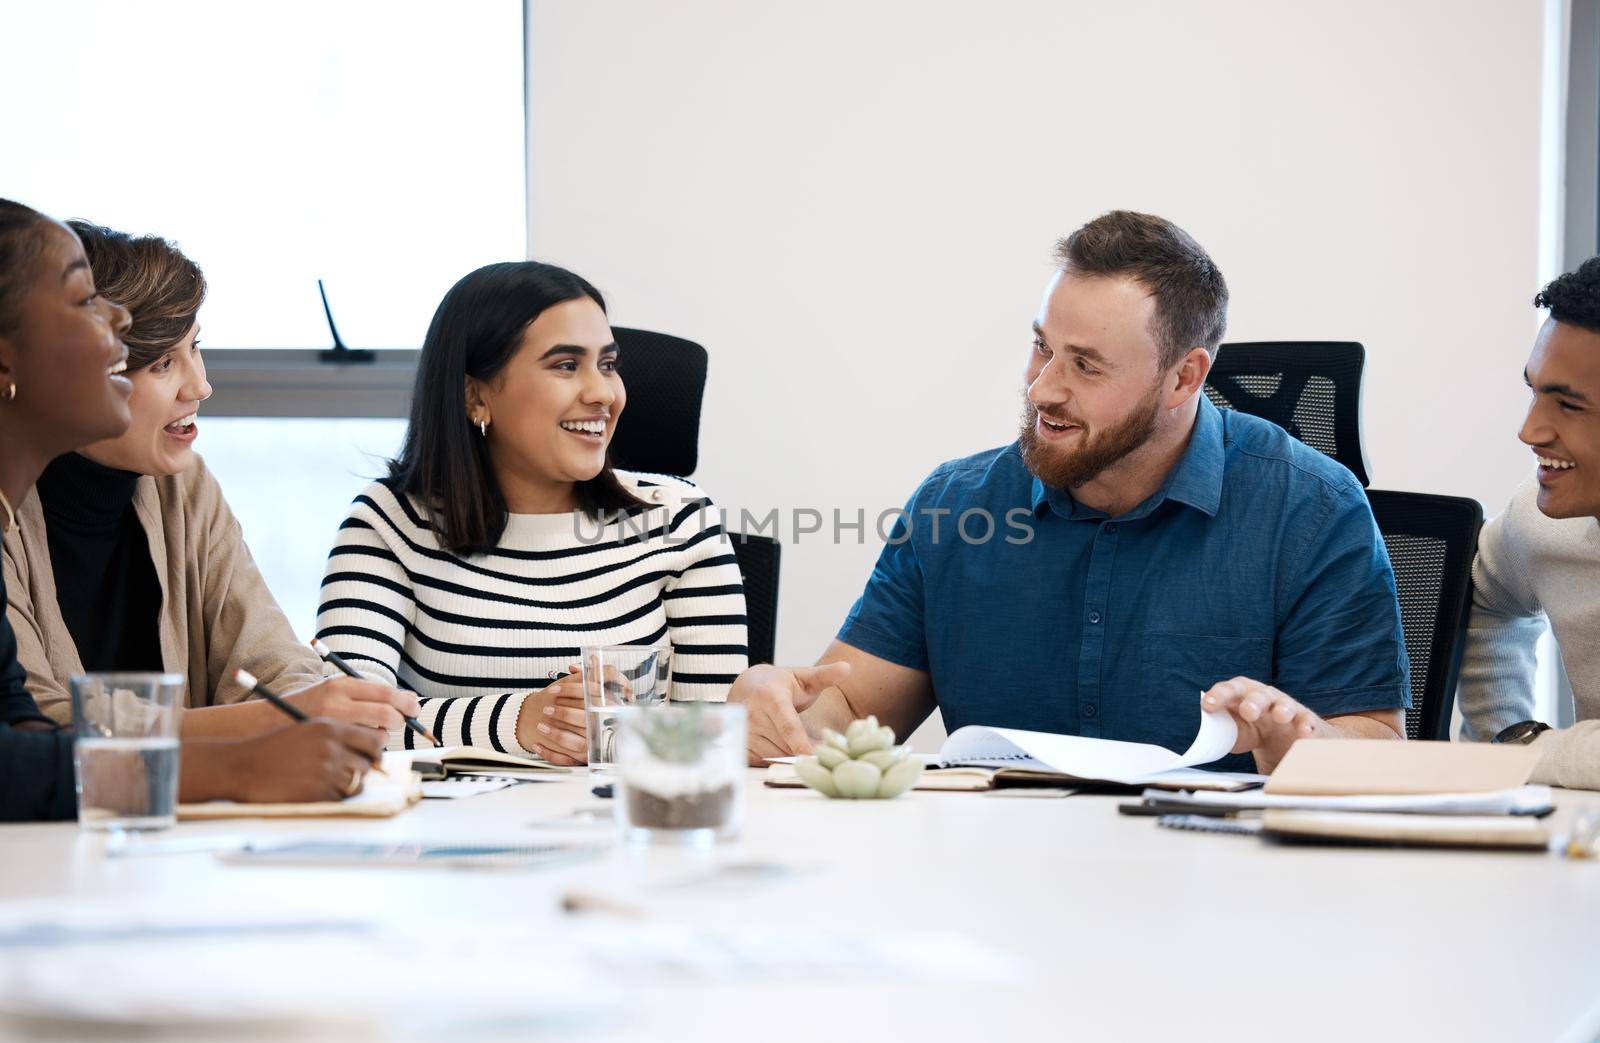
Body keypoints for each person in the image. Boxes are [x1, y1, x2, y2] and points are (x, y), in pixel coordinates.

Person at [731, 211, 1410, 772]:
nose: (1043, 388)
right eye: (1041, 347)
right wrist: (778, 717)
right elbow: (845, 715)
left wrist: (1303, 742)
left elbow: (1376, 751)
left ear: (1185, 377)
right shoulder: (956, 505)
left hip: (1220, 900)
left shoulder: (1312, 510)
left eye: (1085, 365)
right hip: (994, 894)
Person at [0, 199, 383, 819]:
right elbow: (38, 730)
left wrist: (312, 715)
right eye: (159, 362)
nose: (200, 386)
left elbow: (272, 661)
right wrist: (252, 744)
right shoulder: (11, 503)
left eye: (196, 348)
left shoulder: (183, 484)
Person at [316, 261, 748, 763]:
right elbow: (341, 727)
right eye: (566, 365)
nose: (604, 393)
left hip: (627, 826)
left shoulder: (680, 519)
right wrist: (521, 721)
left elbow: (714, 738)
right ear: (476, 396)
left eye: (607, 364)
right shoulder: (389, 522)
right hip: (449, 836)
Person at [1457, 258, 1600, 788]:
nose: (1530, 430)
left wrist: (1535, 753)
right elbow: (1488, 597)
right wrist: (1508, 736)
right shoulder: (1537, 520)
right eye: (1534, 392)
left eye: (1567, 404)